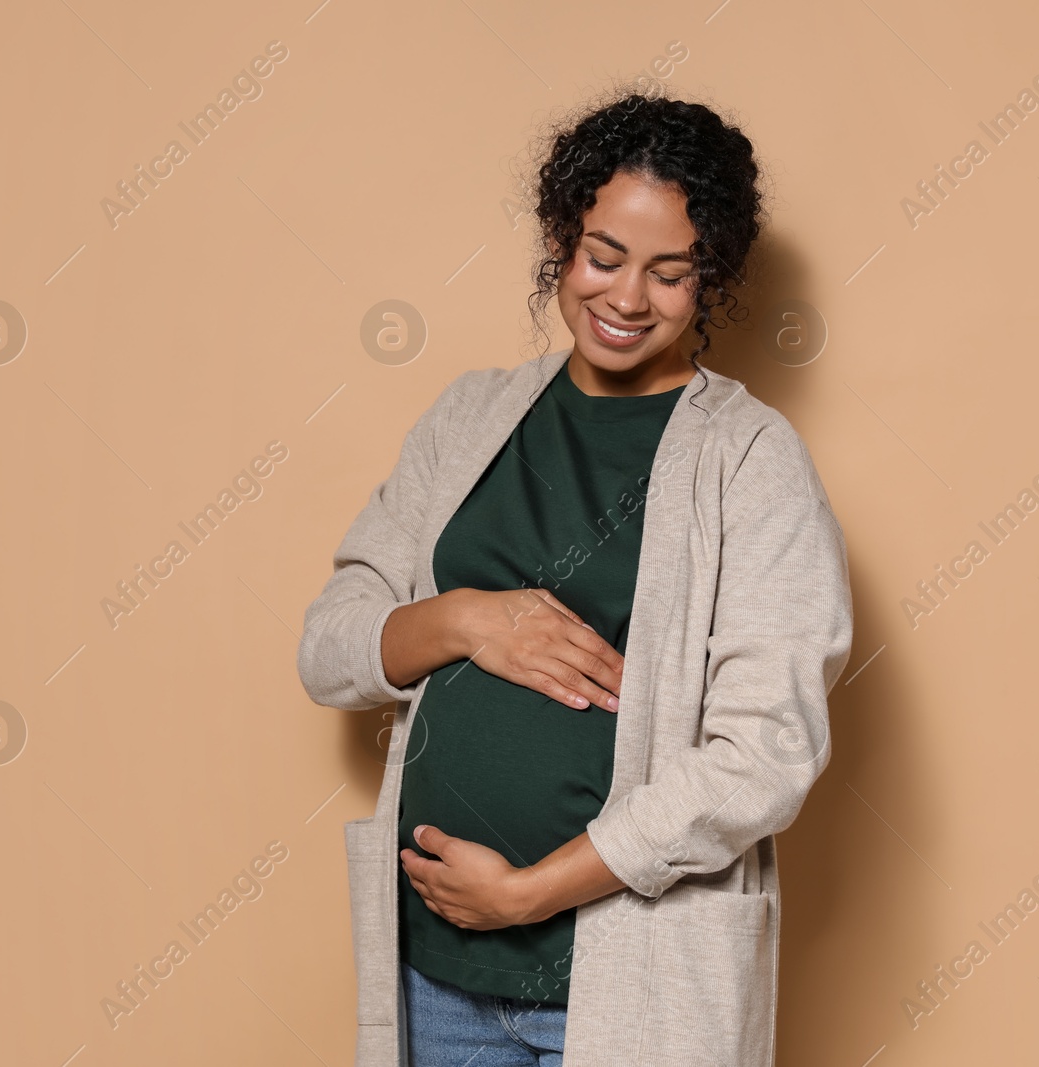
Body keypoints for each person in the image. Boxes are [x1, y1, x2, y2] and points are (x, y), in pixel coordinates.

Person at [297, 86, 854, 1067]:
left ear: (710, 277)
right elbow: (333, 644)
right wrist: (468, 618)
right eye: (603, 256)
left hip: (631, 980)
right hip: (438, 972)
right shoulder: (469, 417)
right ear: (561, 238)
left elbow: (766, 747)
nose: (628, 298)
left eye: (670, 273)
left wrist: (527, 892)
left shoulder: (752, 462)